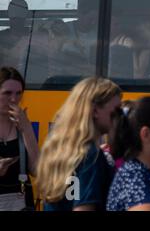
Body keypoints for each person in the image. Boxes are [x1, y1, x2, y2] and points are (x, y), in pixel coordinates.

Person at [36, 77, 122, 211]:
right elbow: (82, 207)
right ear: (95, 111)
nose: (120, 116)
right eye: (116, 110)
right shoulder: (90, 155)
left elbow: (72, 198)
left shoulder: (60, 150)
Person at [0, 67, 39, 211]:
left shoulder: (22, 124)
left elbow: (36, 169)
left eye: (18, 93)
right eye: (7, 93)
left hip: (20, 203)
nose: (14, 99)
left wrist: (26, 128)